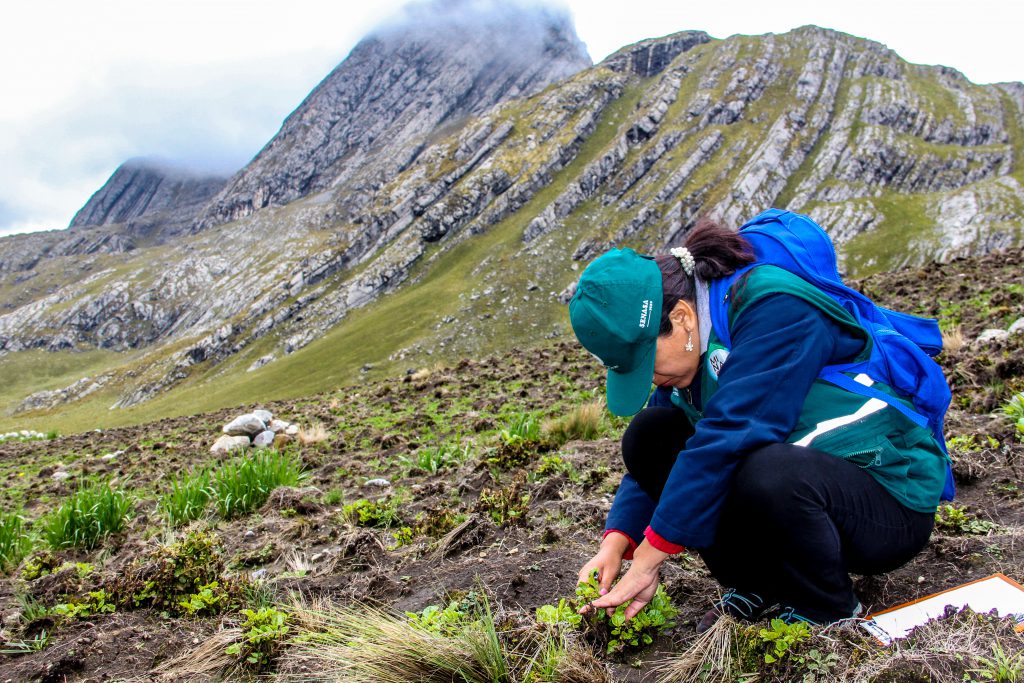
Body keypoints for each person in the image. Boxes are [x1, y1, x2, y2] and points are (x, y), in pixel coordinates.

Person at [567, 218, 946, 630]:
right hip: (806, 483)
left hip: (884, 498)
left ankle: (825, 609)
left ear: (681, 319)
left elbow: (732, 433)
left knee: (766, 471)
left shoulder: (776, 308)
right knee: (652, 434)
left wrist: (651, 555)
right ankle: (755, 585)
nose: (651, 379)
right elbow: (667, 460)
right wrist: (618, 539)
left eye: (646, 363)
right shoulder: (689, 354)